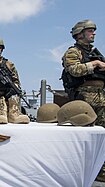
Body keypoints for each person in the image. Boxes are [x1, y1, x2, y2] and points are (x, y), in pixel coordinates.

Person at [61, 19, 105, 182]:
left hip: (101, 96)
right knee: (85, 135)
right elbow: (73, 70)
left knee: (102, 136)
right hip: (84, 98)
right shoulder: (73, 52)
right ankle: (82, 169)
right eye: (90, 31)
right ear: (80, 34)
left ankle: (101, 169)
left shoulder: (96, 52)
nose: (93, 33)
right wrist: (93, 64)